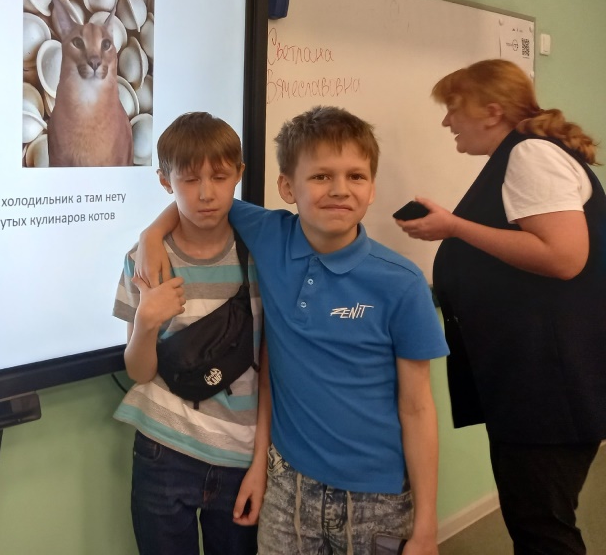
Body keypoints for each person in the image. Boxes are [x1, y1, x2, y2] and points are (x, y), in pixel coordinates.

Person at [138, 106, 447, 555]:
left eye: (356, 176)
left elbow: (418, 407)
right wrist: (151, 236)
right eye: (321, 176)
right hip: (288, 487)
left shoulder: (402, 283)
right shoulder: (269, 235)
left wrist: (426, 527)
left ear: (372, 187)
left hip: (375, 496)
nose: (339, 189)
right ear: (287, 187)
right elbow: (199, 195)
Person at [395, 58, 606, 555]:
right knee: (540, 521)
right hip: (541, 383)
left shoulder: (530, 154)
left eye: (453, 108)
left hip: (548, 389)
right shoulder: (528, 153)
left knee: (541, 529)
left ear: (492, 112)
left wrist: (454, 227)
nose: (446, 121)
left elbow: (563, 256)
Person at [113, 111, 268, 555]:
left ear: (239, 174)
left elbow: (269, 363)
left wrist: (260, 462)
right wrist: (146, 323)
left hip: (240, 454)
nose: (205, 193)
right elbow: (139, 372)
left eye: (219, 177)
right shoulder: (144, 260)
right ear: (165, 181)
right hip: (164, 451)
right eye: (189, 180)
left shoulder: (260, 254)